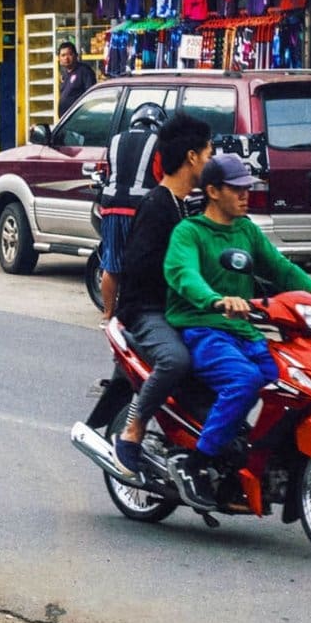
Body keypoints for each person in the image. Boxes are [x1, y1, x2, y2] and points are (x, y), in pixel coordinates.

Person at [161, 153, 311, 510]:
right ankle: (197, 464)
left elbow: (283, 270)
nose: (246, 195)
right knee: (244, 381)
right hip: (202, 329)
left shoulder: (246, 230)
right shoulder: (190, 232)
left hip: (243, 332)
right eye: (237, 189)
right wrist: (216, 300)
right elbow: (184, 275)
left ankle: (261, 458)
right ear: (213, 191)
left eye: (249, 188)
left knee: (292, 382)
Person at [111, 113, 213, 476]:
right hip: (146, 311)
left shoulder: (193, 204)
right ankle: (133, 431)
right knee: (175, 360)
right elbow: (137, 270)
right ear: (191, 158)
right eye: (208, 153)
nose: (211, 160)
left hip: (182, 310)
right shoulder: (157, 205)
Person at [94, 102, 168, 321]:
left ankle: (108, 315)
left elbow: (109, 172)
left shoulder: (116, 139)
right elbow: (161, 176)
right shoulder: (159, 143)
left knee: (111, 264)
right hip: (141, 212)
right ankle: (137, 314)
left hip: (111, 208)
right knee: (140, 264)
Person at [56, 41, 96, 119]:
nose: (66, 58)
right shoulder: (65, 74)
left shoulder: (84, 71)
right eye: (63, 55)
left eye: (69, 54)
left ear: (76, 55)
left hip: (79, 119)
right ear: (59, 58)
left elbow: (91, 96)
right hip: (65, 120)